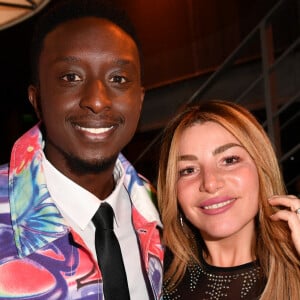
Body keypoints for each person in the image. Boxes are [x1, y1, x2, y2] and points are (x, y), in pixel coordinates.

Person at [0, 0, 164, 299]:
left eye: (118, 79)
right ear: (36, 100)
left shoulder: (164, 209)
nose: (97, 100)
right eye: (71, 77)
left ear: (139, 100)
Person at [157, 100, 300, 300]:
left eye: (229, 160)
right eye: (188, 170)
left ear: (262, 168)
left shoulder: (295, 273)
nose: (210, 183)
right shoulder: (152, 279)